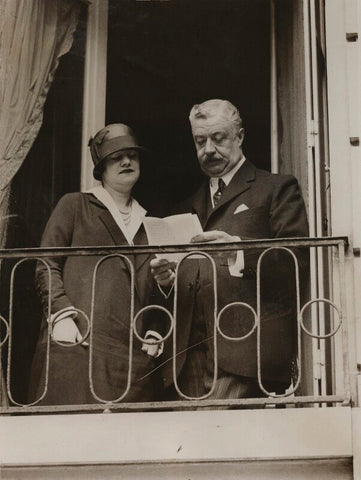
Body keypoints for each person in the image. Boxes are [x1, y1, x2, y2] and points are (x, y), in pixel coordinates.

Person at [151, 99, 309, 400]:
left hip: (245, 357)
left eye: (218, 138)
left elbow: (296, 259)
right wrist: (168, 281)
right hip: (187, 361)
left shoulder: (276, 188)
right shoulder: (185, 205)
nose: (208, 149)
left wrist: (237, 252)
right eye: (200, 141)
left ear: (240, 136)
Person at [29, 123, 163, 405]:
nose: (127, 161)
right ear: (101, 167)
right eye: (116, 157)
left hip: (130, 361)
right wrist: (61, 315)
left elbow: (158, 288)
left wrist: (155, 327)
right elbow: (46, 263)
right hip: (78, 345)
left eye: (132, 155)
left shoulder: (149, 223)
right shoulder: (75, 205)